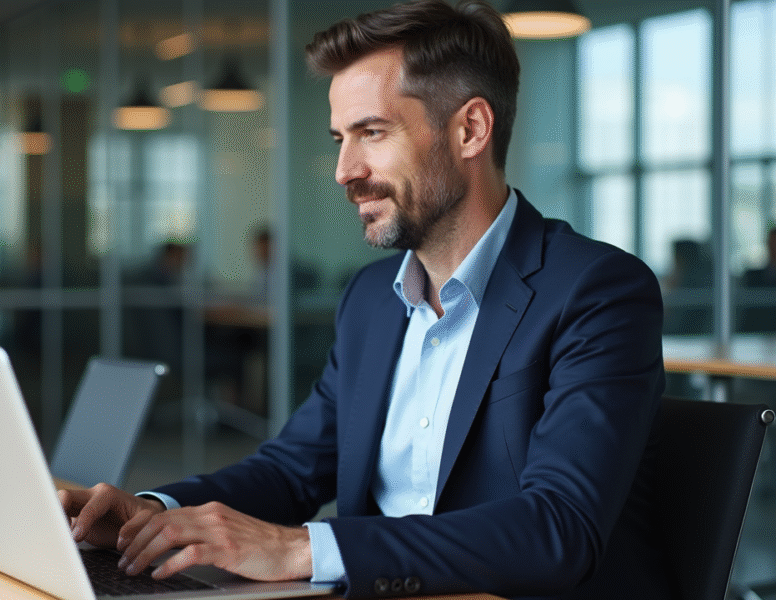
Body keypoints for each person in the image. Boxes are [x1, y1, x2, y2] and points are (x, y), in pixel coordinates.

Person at [59, 1, 670, 598]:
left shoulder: (596, 291)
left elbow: (559, 528)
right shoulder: (371, 299)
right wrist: (153, 512)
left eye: (372, 132)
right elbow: (292, 469)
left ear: (470, 130)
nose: (344, 170)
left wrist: (301, 549)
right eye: (340, 138)